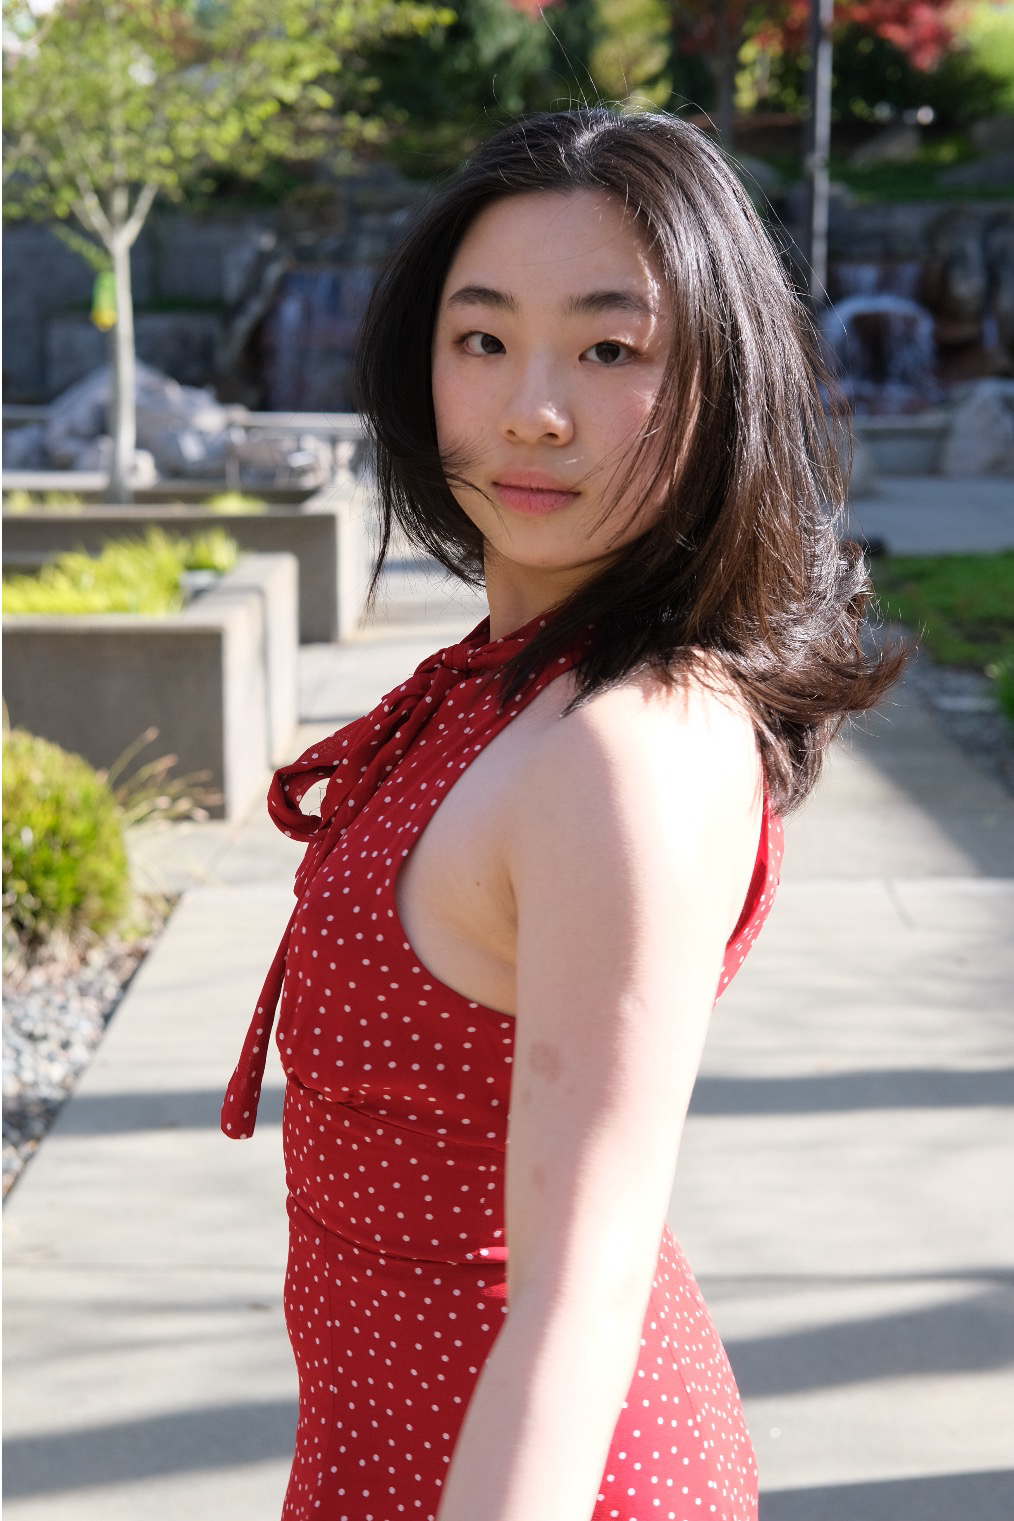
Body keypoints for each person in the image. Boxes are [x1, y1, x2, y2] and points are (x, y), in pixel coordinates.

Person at [223, 108, 902, 1521]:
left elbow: (578, 1296)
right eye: (483, 340)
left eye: (609, 350)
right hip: (395, 1448)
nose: (533, 407)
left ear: (721, 381)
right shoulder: (509, 687)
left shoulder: (621, 750)